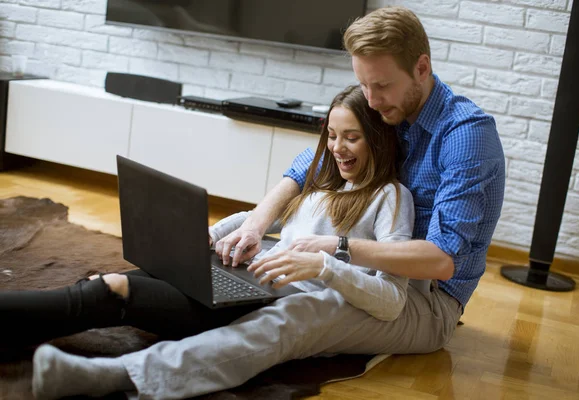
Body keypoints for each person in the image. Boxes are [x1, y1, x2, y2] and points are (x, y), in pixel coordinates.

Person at [29, 5, 505, 399]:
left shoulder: (464, 137)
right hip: (358, 263)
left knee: (300, 316)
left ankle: (124, 377)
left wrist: (335, 249)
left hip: (425, 303)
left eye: (382, 86)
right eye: (364, 84)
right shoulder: (389, 107)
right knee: (236, 276)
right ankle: (100, 299)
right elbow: (305, 166)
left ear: (422, 67)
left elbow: (442, 261)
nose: (373, 98)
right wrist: (257, 225)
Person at [9, 85, 412, 398]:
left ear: (377, 139)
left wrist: (328, 268)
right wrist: (214, 234)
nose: (337, 148)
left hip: (267, 302)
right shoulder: (325, 183)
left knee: (116, 289)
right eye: (332, 136)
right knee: (131, 275)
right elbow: (257, 219)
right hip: (245, 279)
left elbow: (391, 300)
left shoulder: (390, 197)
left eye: (352, 138)